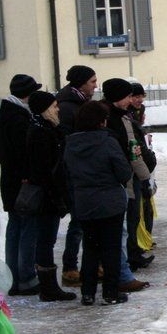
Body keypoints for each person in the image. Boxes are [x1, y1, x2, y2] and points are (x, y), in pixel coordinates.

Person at [63, 101, 132, 305]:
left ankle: (88, 292)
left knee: (90, 247)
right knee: (111, 248)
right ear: (101, 121)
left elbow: (65, 172)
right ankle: (111, 292)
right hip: (110, 202)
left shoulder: (70, 144)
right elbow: (124, 172)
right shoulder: (108, 142)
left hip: (84, 202)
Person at [100, 79, 151, 293]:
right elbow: (131, 150)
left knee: (126, 225)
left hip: (121, 179)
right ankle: (120, 274)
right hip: (119, 180)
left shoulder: (122, 116)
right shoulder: (113, 119)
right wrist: (144, 175)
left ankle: (123, 268)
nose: (132, 100)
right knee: (120, 229)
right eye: (128, 96)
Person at [24, 91, 75, 302]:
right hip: (46, 197)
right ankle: (48, 287)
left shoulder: (48, 129)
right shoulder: (41, 133)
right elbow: (47, 170)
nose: (58, 109)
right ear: (44, 109)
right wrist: (58, 197)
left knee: (46, 239)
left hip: (49, 195)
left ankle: (49, 286)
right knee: (45, 240)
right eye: (54, 106)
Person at [0, 74, 42, 296]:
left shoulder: (6, 113)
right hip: (22, 184)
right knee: (26, 229)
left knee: (15, 228)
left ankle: (14, 278)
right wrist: (28, 175)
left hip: (9, 181)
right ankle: (26, 278)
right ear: (27, 94)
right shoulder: (19, 117)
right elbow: (22, 152)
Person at [55, 65, 96, 286]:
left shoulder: (80, 103)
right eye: (92, 81)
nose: (95, 85)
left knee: (87, 221)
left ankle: (90, 265)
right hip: (75, 172)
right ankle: (70, 268)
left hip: (84, 170)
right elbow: (68, 141)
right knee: (79, 221)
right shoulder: (68, 107)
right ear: (81, 83)